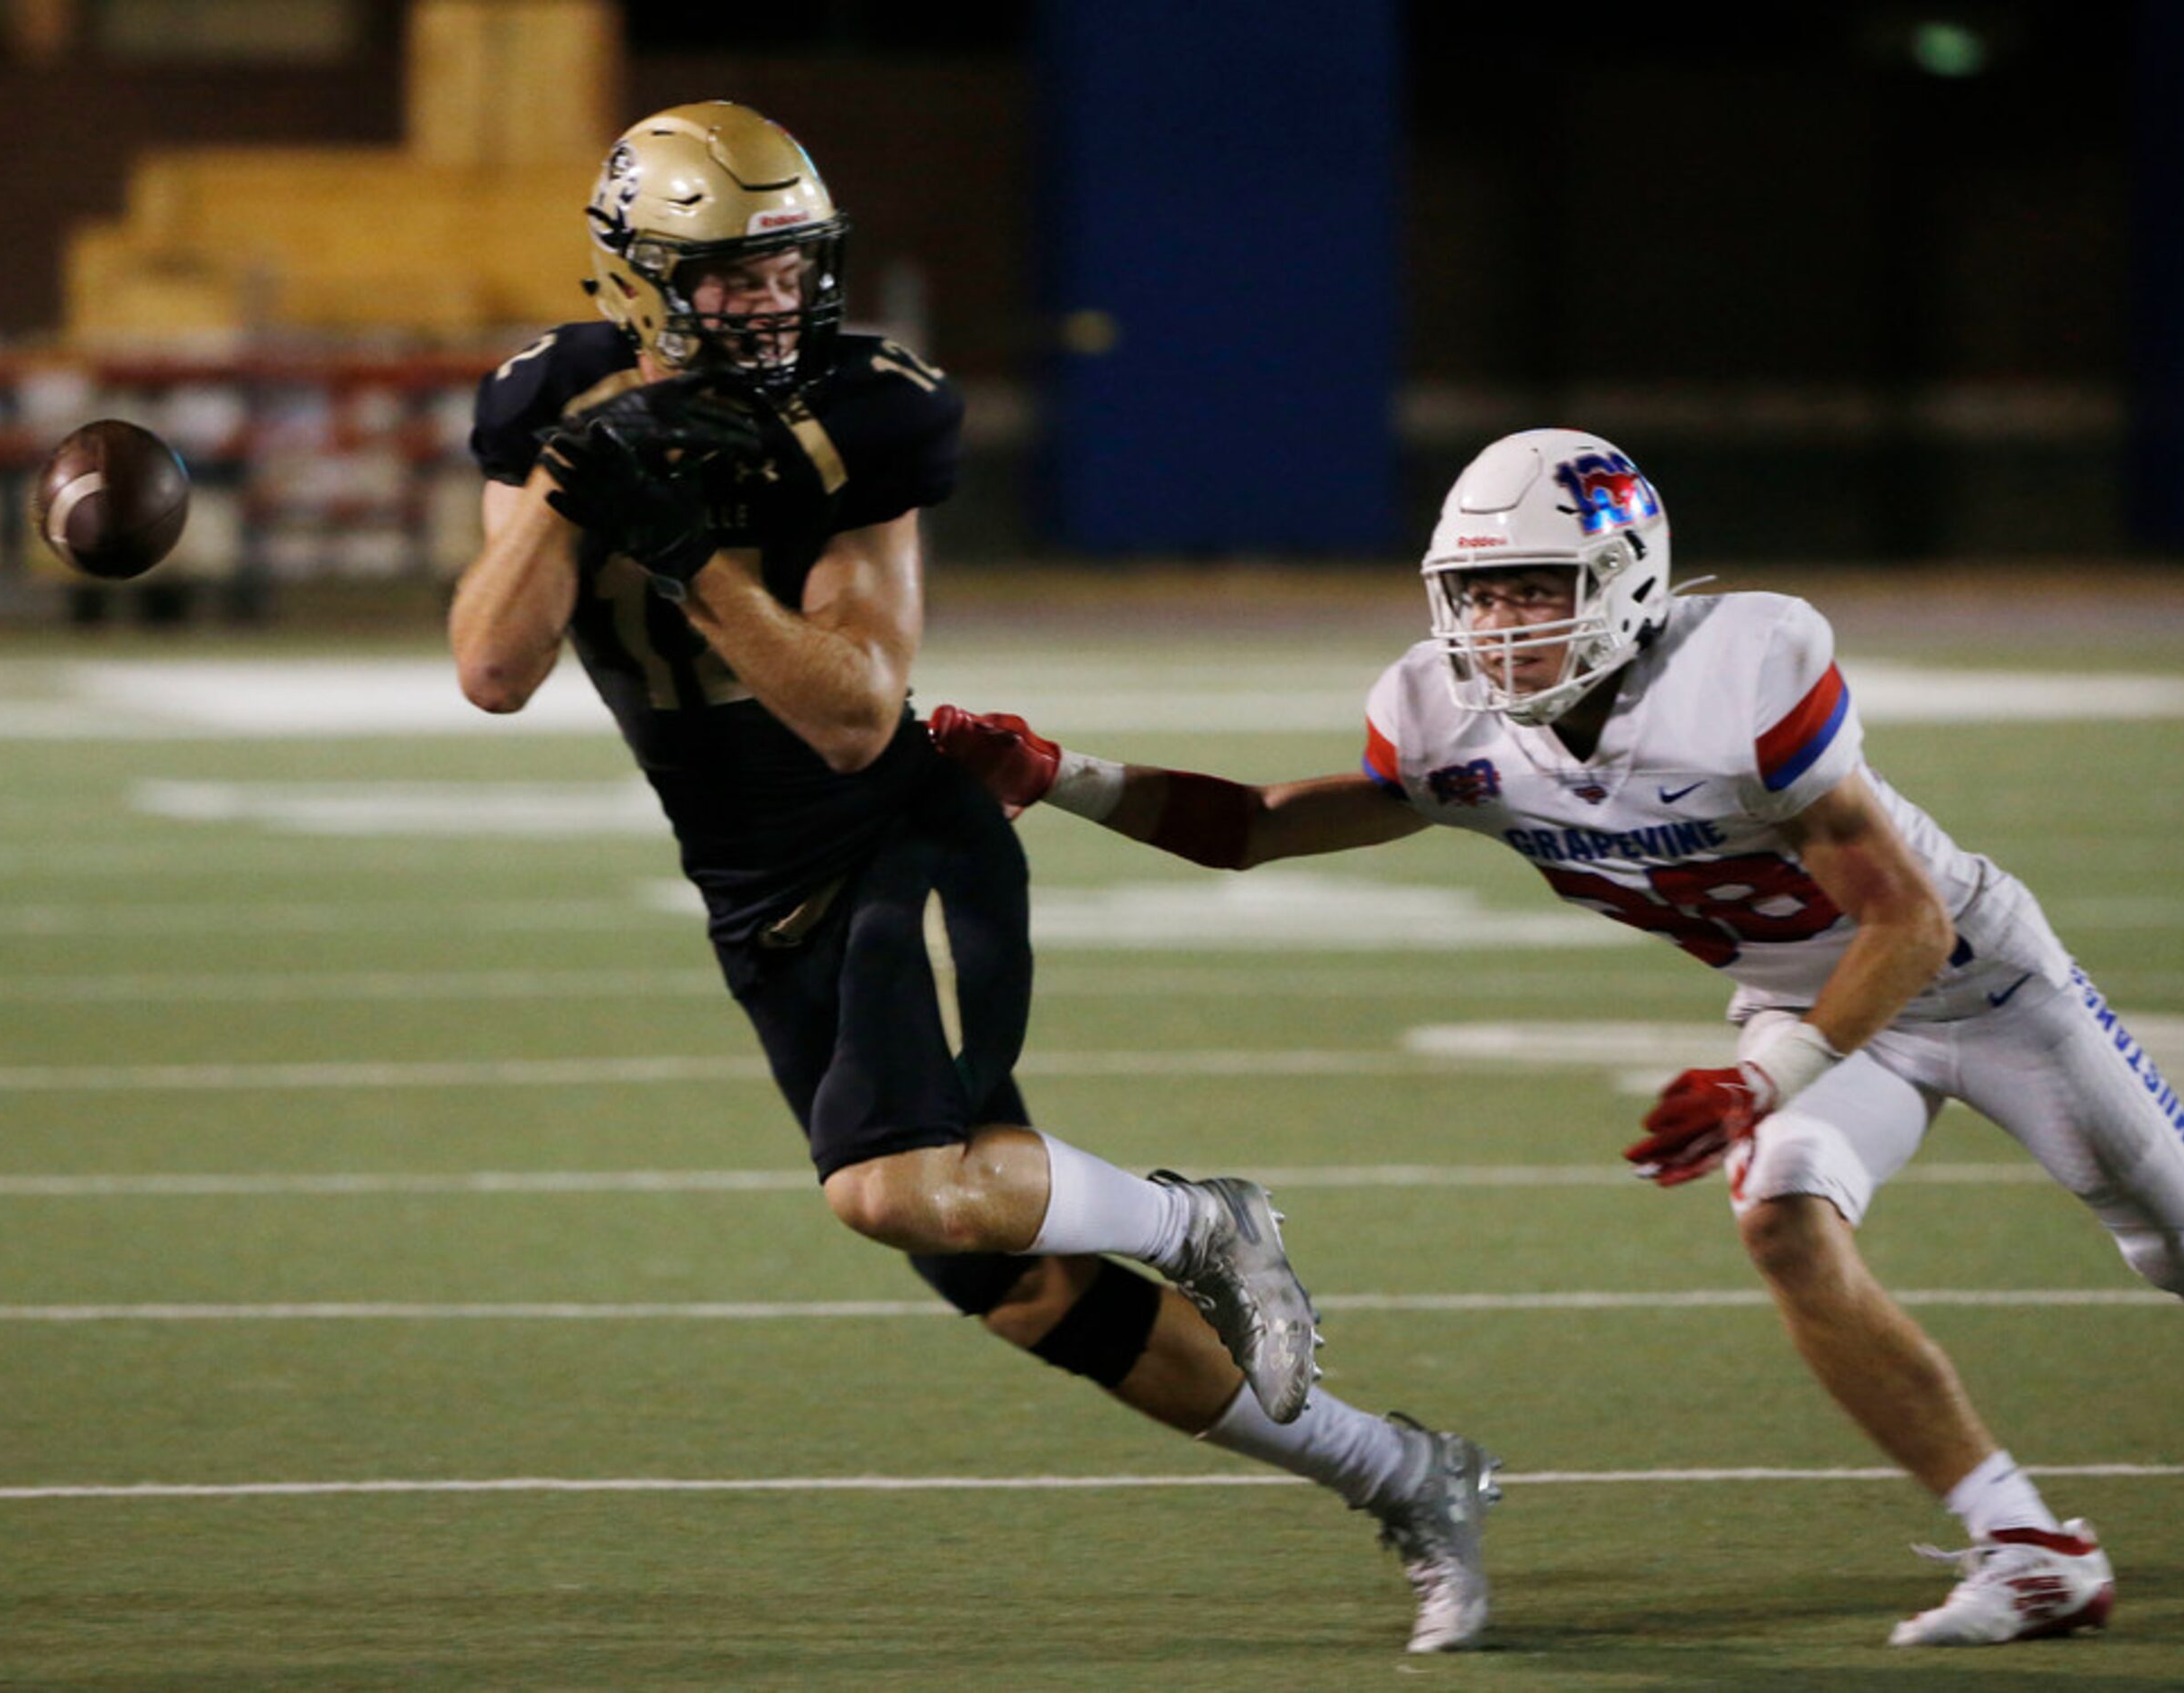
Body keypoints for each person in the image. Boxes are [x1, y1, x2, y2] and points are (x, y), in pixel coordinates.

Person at [447, 99, 1502, 1653]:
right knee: (1010, 1287)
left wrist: (694, 553)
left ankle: (1192, 1217)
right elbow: (490, 666)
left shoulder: (868, 410)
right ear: (638, 276)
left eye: (790, 267)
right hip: (744, 881)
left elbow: (856, 711)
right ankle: (1404, 1471)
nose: (773, 302)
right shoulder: (555, 397)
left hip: (891, 830)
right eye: (732, 276)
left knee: (885, 1186)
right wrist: (571, 479)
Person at [932, 426, 2184, 1649]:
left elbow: (1910, 924)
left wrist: (1764, 1076)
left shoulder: (1738, 670)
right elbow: (1260, 823)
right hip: (1795, 1011)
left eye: (1535, 587)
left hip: (1982, 986)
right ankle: (2028, 1545)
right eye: (1478, 594)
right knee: (1779, 1210)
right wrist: (1060, 774)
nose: (1502, 625)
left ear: (1626, 576)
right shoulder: (1454, 723)